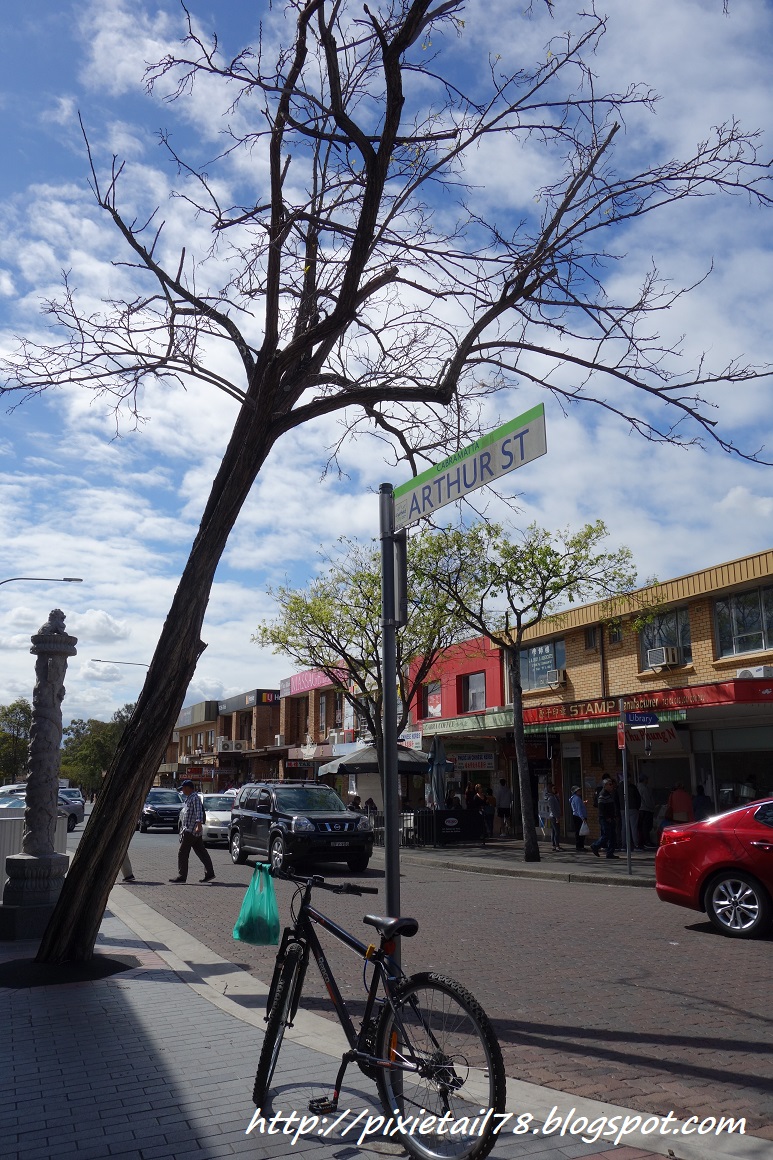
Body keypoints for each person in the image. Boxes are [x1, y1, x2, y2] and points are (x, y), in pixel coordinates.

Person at [170, 781, 215, 884]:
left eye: (183, 788)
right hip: (191, 830)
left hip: (191, 830)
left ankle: (182, 876)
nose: (182, 790)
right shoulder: (189, 798)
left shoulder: (195, 798)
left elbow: (199, 812)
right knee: (201, 852)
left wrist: (198, 826)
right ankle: (210, 873)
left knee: (183, 853)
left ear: (189, 788)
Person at [591, 777, 620, 859]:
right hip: (605, 819)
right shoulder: (602, 794)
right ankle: (595, 845)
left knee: (612, 836)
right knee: (606, 835)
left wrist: (614, 816)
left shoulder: (609, 794)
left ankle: (610, 853)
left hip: (611, 818)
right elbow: (601, 808)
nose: (612, 786)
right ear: (605, 785)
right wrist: (607, 817)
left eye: (612, 784)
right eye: (610, 784)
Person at [637, 774, 656, 848]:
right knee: (646, 826)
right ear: (644, 780)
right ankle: (647, 841)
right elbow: (647, 799)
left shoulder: (638, 787)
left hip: (640, 809)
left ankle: (642, 841)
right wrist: (652, 807)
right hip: (646, 809)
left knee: (641, 827)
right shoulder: (644, 788)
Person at [568, 785, 587, 851]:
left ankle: (579, 846)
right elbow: (579, 809)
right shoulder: (577, 799)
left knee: (579, 832)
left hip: (576, 816)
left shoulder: (575, 798)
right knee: (580, 832)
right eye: (579, 790)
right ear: (575, 792)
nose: (580, 791)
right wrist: (582, 818)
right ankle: (580, 846)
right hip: (579, 817)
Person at [544, 784, 562, 851]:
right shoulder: (551, 798)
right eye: (554, 788)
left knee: (554, 831)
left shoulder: (554, 797)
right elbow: (553, 808)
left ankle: (554, 845)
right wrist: (557, 817)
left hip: (554, 815)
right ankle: (556, 845)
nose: (555, 790)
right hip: (554, 816)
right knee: (557, 831)